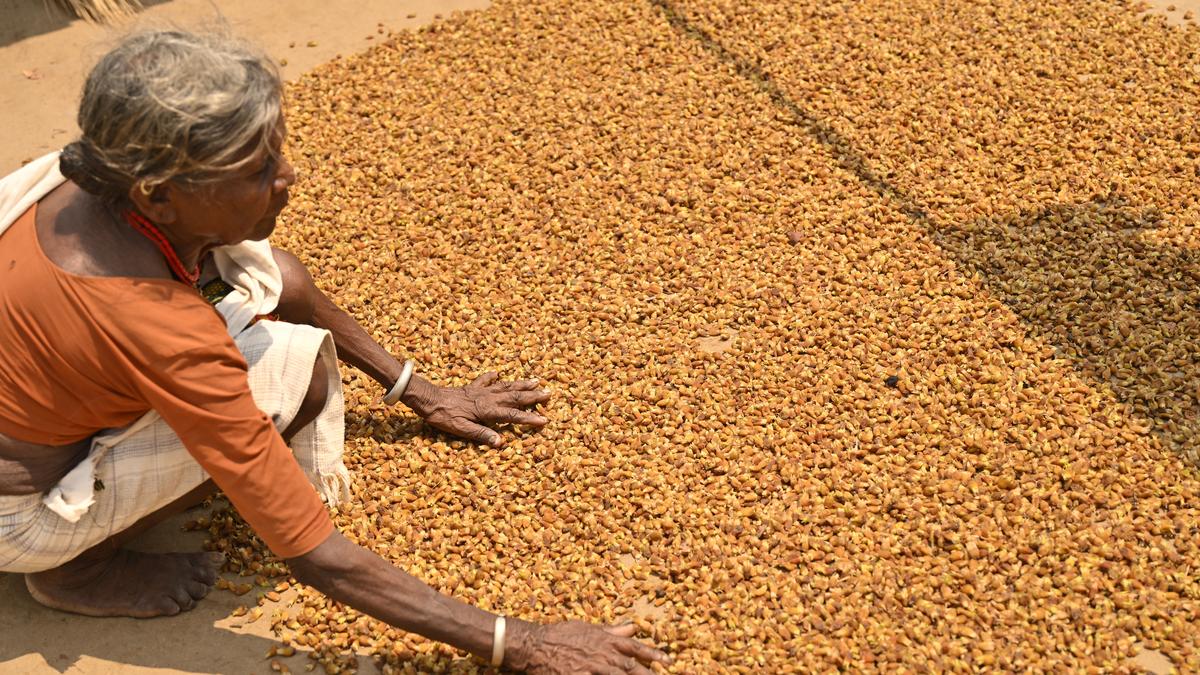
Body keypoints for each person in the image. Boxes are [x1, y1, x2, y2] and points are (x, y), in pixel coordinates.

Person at [0, 29, 671, 674]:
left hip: (42, 401)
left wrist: (420, 391)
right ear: (159, 195)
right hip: (17, 513)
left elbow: (275, 281)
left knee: (278, 277)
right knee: (301, 378)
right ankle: (76, 567)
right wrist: (519, 640)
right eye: (259, 168)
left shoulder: (86, 174)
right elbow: (313, 552)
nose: (289, 175)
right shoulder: (165, 331)